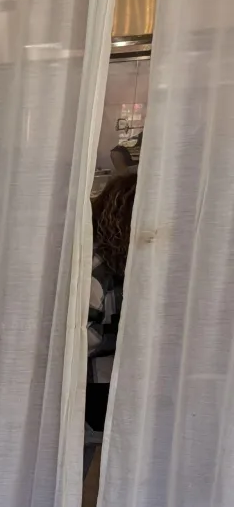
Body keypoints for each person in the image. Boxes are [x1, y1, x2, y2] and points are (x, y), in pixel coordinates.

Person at [86, 168, 137, 432]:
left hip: (111, 382)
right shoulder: (99, 269)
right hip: (103, 388)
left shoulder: (105, 264)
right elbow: (83, 339)